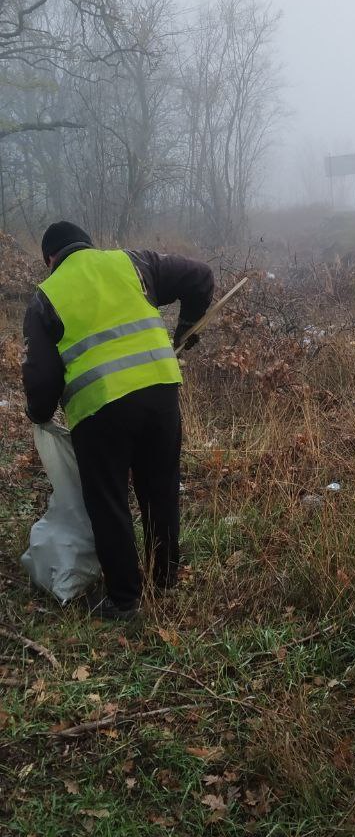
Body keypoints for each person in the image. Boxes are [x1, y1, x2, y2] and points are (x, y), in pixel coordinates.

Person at [22, 221, 214, 620]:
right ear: (89, 245)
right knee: (159, 489)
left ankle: (125, 600)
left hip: (100, 409)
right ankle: (164, 581)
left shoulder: (47, 297)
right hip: (161, 392)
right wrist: (185, 330)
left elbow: (40, 377)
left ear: (49, 259)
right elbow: (201, 276)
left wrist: (40, 415)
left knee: (108, 500)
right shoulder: (133, 263)